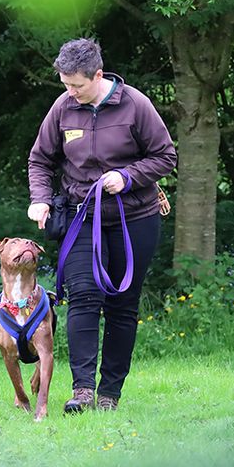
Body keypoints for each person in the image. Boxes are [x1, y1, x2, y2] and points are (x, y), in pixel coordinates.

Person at [27, 38, 177, 413]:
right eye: (65, 84)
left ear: (98, 74)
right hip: (81, 218)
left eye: (77, 85)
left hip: (134, 219)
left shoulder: (135, 105)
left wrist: (127, 176)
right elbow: (40, 160)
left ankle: (110, 393)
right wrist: (40, 198)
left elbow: (165, 156)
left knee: (123, 306)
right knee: (82, 298)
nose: (70, 92)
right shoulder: (63, 108)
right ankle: (82, 392)